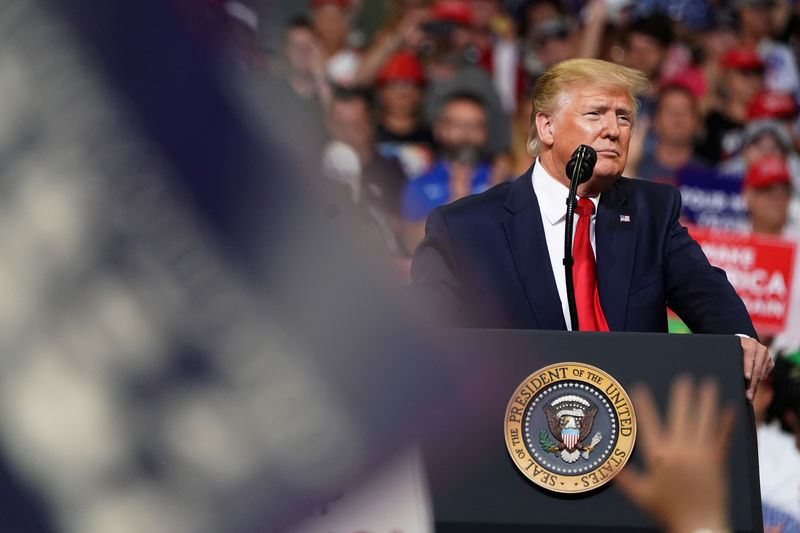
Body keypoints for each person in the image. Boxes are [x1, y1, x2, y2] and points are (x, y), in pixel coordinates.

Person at [410, 58, 772, 400]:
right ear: (546, 126)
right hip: (514, 438)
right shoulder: (464, 229)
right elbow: (428, 348)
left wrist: (738, 340)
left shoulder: (652, 210)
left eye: (624, 117)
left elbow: (704, 288)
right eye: (595, 114)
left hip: (634, 438)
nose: (613, 130)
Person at [401, 91, 493, 252]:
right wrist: (456, 201)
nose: (466, 133)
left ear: (485, 133)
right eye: (458, 125)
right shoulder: (419, 183)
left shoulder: (505, 182)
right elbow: (411, 243)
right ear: (439, 129)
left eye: (475, 125)